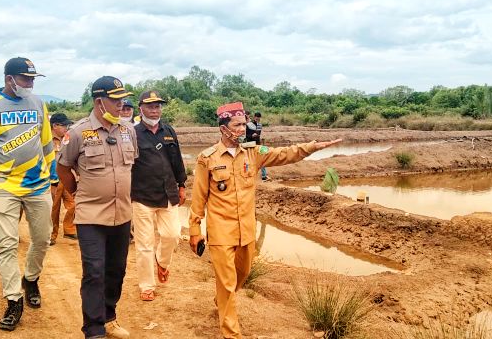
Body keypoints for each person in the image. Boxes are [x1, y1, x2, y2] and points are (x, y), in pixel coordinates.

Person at [188, 102, 340, 339]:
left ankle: (222, 299)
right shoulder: (206, 158)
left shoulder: (253, 153)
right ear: (223, 128)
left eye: (243, 124)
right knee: (227, 283)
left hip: (246, 230)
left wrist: (312, 146)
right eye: (237, 125)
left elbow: (285, 154)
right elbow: (199, 196)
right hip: (221, 231)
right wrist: (194, 228)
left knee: (243, 273)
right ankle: (232, 333)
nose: (243, 129)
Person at [0, 57, 58, 331]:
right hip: (2, 186)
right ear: (9, 79)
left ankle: (30, 279)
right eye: (25, 79)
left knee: (42, 239)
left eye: (32, 79)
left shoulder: (39, 104)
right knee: (7, 242)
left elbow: (46, 144)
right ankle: (13, 299)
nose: (30, 84)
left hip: (37, 184)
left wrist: (53, 176)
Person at [57, 76, 136, 339]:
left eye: (123, 99)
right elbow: (63, 167)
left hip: (122, 214)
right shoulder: (78, 132)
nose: (121, 105)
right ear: (99, 102)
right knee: (94, 271)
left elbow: (129, 166)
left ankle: (109, 316)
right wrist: (77, 193)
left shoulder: (128, 131)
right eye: (115, 100)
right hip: (91, 215)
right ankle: (94, 328)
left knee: (117, 270)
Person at [130, 90, 186, 302]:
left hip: (168, 192)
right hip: (141, 195)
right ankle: (146, 285)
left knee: (172, 234)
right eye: (151, 106)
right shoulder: (133, 133)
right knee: (144, 244)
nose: (155, 110)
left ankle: (162, 262)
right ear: (141, 108)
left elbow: (177, 160)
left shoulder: (168, 130)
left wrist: (182, 184)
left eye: (158, 106)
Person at [49, 113, 76, 246]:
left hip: (66, 177)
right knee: (53, 209)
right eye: (64, 125)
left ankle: (69, 229)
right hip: (51, 181)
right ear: (55, 126)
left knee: (74, 204)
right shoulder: (46, 140)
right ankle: (51, 235)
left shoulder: (67, 139)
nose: (67, 128)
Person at [245, 112, 268, 181]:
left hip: (258, 144)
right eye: (257, 118)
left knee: (262, 158)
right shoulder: (248, 125)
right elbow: (246, 136)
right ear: (254, 117)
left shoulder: (260, 125)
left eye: (259, 118)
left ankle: (264, 176)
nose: (258, 119)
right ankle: (247, 175)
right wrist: (252, 136)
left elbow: (259, 135)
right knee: (248, 160)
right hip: (250, 144)